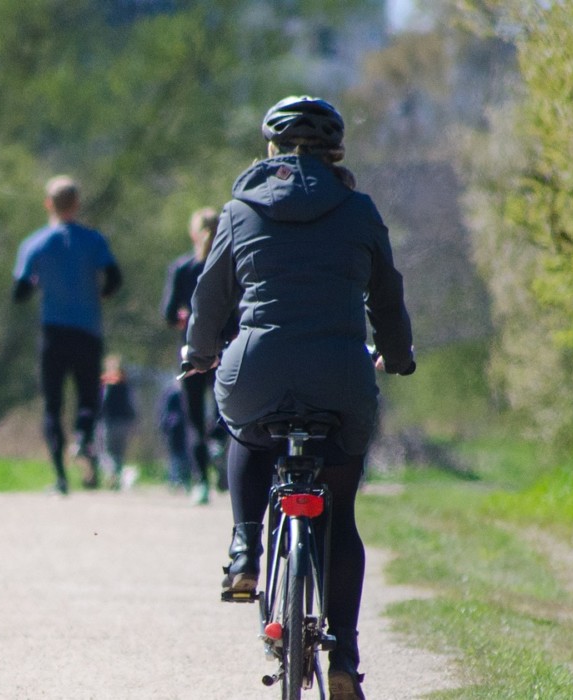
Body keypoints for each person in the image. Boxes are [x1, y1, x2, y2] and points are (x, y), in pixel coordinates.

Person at [181, 96, 415, 699]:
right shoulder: (360, 210)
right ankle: (344, 657)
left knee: (244, 429)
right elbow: (385, 297)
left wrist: (198, 352)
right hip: (340, 375)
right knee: (341, 519)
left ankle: (244, 548)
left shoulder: (238, 210)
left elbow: (210, 297)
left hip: (257, 368)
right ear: (336, 153)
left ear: (271, 150)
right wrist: (399, 353)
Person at [12, 175, 123, 494]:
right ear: (76, 204)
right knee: (89, 396)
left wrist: (38, 283)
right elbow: (115, 278)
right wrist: (99, 294)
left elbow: (19, 292)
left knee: (53, 404)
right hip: (88, 330)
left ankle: (61, 478)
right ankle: (83, 436)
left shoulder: (35, 244)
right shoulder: (94, 241)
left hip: (53, 332)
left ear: (48, 204)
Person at [161, 207, 232, 505]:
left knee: (193, 419)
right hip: (226, 349)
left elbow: (168, 314)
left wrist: (183, 316)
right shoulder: (230, 265)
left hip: (191, 350)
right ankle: (219, 443)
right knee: (224, 408)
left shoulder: (182, 268)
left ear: (193, 233)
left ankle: (201, 482)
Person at [96, 354, 137, 490]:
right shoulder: (126, 383)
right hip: (124, 422)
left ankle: (113, 474)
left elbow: (101, 403)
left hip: (109, 421)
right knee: (119, 453)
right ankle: (118, 478)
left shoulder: (105, 383)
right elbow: (132, 403)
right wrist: (133, 420)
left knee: (106, 452)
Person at [156, 383, 192, 492]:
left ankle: (179, 481)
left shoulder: (173, 394)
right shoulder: (173, 394)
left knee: (179, 457)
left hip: (181, 432)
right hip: (176, 433)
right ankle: (177, 480)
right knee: (177, 457)